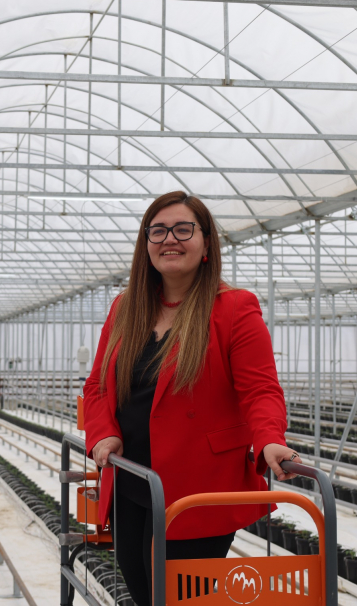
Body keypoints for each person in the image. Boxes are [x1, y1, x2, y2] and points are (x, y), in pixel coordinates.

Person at [82, 191, 299, 606]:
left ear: (205, 243)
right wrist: (103, 434)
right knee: (142, 590)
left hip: (197, 487)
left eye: (183, 229)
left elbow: (260, 389)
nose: (170, 239)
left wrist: (270, 438)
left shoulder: (234, 308)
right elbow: (98, 387)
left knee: (181, 597)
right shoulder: (125, 308)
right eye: (158, 231)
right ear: (146, 244)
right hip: (130, 479)